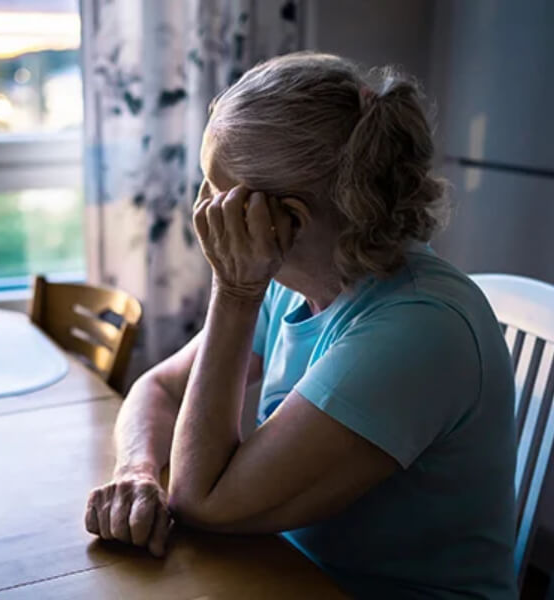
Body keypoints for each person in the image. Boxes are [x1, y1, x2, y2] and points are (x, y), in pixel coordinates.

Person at [84, 52, 516, 599]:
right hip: (284, 575)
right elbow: (161, 387)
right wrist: (138, 469)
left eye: (216, 193)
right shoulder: (296, 284)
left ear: (291, 218)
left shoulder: (418, 330)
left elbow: (201, 500)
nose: (199, 209)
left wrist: (234, 293)